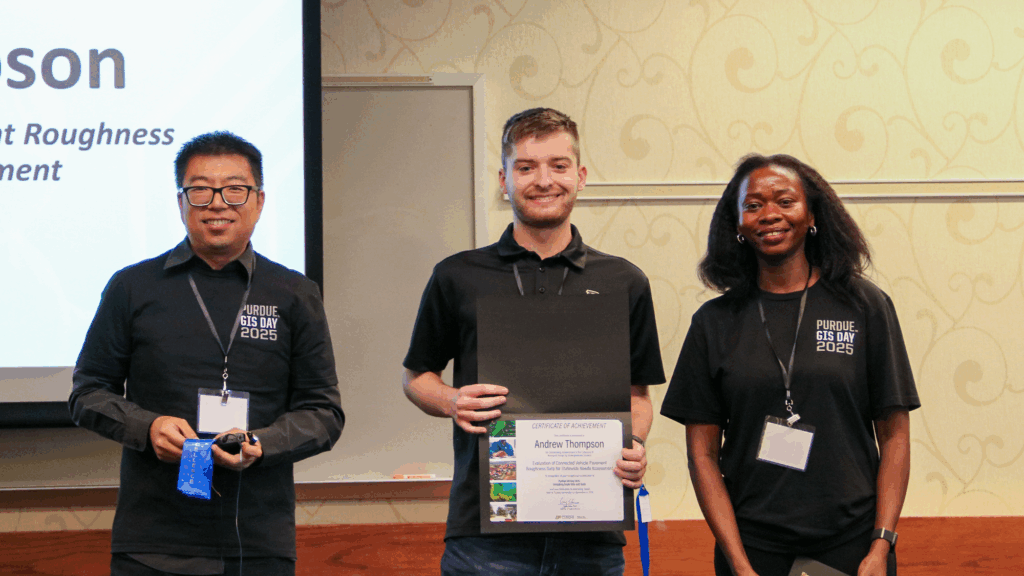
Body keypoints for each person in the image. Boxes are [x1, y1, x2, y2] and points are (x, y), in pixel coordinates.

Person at [402, 107, 665, 575]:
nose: (544, 180)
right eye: (526, 167)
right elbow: (416, 378)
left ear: (580, 176)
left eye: (558, 165)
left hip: (592, 532)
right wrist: (452, 401)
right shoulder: (457, 276)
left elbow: (637, 397)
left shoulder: (623, 281)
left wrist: (634, 443)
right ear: (504, 180)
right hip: (485, 540)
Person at [69, 131, 344, 576]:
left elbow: (324, 413)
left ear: (259, 201)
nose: (218, 204)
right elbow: (87, 394)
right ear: (181, 202)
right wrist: (147, 427)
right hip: (152, 543)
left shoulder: (295, 293)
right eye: (200, 190)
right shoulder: (132, 287)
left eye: (235, 189)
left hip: (259, 542)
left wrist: (262, 444)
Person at [660, 154, 920, 576]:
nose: (770, 215)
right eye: (753, 205)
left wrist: (881, 545)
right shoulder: (713, 323)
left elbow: (895, 435)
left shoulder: (864, 306)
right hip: (752, 550)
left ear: (812, 215)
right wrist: (738, 563)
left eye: (785, 201)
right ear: (737, 224)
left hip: (854, 547)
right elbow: (702, 454)